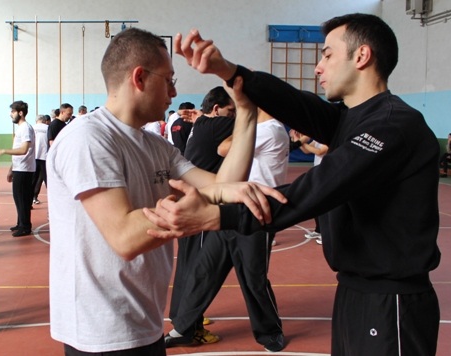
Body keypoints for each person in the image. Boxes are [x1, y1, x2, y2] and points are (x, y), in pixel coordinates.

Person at [149, 14, 443, 355]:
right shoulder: (354, 118)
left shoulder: (392, 125)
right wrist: (230, 71)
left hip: (391, 299)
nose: (318, 67)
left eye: (328, 55)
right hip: (356, 291)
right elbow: (298, 104)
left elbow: (318, 188)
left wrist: (219, 215)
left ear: (361, 57)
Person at [46, 27, 281, 355]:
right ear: (139, 78)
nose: (173, 91)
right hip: (100, 331)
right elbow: (125, 238)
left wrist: (245, 110)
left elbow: (222, 184)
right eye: (169, 79)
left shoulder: (155, 144)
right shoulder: (89, 138)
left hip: (144, 320)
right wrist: (202, 203)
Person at [166, 86, 238, 348]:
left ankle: (183, 317)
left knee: (188, 265)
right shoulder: (218, 124)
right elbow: (254, 123)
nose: (233, 115)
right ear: (217, 110)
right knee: (198, 268)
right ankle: (188, 328)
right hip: (201, 204)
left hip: (192, 201)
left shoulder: (203, 123)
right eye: (230, 111)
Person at [0, 100, 36, 237]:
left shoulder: (26, 127)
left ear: (20, 113)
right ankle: (21, 223)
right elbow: (18, 152)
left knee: (22, 198)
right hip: (19, 168)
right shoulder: (21, 127)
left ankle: (25, 226)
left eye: (13, 112)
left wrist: (3, 151)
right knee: (19, 197)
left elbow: (24, 150)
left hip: (25, 170)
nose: (11, 115)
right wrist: (11, 169)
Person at [299, 133, 328, 244]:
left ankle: (326, 234)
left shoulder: (330, 138)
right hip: (317, 172)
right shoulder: (318, 139)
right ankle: (319, 230)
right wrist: (298, 141)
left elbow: (320, 151)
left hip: (327, 172)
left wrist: (300, 142)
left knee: (325, 204)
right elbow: (306, 151)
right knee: (315, 202)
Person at [32, 114, 50, 205]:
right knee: (48, 180)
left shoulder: (32, 128)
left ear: (36, 121)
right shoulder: (48, 128)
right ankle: (53, 201)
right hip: (45, 157)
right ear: (44, 120)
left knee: (33, 180)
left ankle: (31, 199)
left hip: (34, 158)